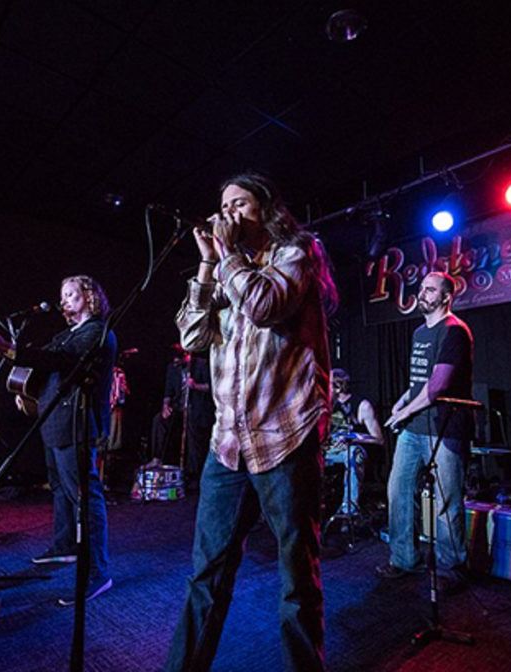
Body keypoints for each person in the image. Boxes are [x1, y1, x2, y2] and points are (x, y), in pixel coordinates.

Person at [164, 172, 337, 672]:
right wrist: (206, 263)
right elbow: (193, 337)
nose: (229, 214)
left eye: (240, 204)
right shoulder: (224, 270)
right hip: (229, 444)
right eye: (224, 206)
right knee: (207, 575)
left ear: (266, 210)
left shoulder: (298, 252)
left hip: (286, 435)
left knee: (296, 579)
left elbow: (263, 305)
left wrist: (228, 257)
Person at [0, 274, 116, 606]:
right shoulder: (68, 334)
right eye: (62, 295)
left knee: (84, 496)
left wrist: (6, 349)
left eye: (71, 294)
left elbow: (57, 361)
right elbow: (39, 358)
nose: (64, 300)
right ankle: (65, 546)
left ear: (90, 296)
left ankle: (98, 573)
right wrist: (4, 350)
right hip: (54, 421)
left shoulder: (97, 331)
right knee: (60, 488)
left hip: (76, 424)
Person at [376, 271, 474, 597]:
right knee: (398, 490)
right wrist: (401, 403)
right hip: (415, 427)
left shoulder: (455, 332)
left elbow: (437, 387)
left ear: (446, 297)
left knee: (447, 500)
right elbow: (419, 384)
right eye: (422, 288)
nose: (422, 293)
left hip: (445, 427)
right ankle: (404, 558)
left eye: (430, 290)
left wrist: (404, 411)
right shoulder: (419, 332)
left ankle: (452, 567)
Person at [324, 368, 384, 516]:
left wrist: (352, 437)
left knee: (353, 453)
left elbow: (379, 439)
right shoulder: (325, 405)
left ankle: (349, 511)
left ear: (337, 388)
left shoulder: (362, 406)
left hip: (348, 450)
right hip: (327, 451)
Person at [182, 353, 214, 488]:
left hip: (200, 410)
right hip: (184, 408)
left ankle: (196, 474)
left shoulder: (201, 364)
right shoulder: (175, 367)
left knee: (197, 442)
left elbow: (211, 387)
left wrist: (195, 386)